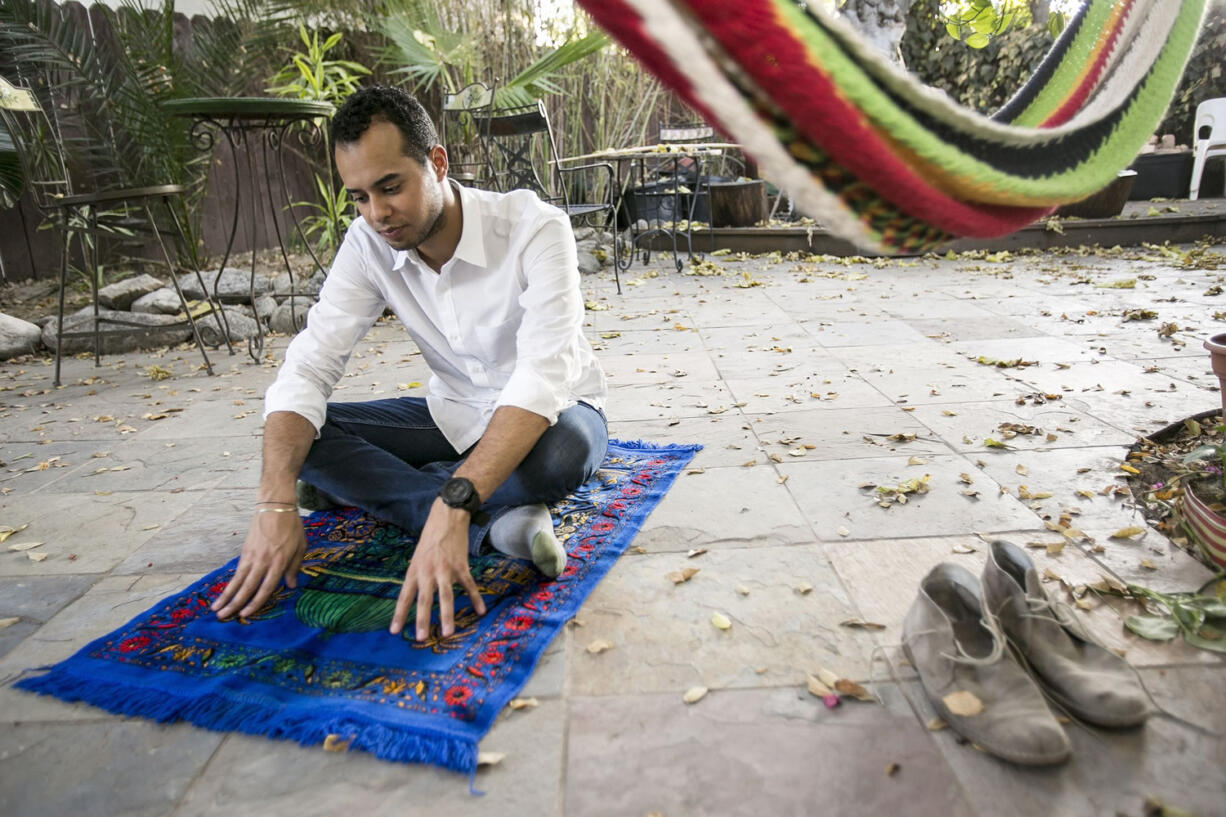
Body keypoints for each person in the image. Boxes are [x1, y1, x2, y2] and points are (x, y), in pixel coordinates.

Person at [211, 86, 608, 644]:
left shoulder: (535, 227)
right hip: (452, 413)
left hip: (557, 412)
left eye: (390, 187)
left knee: (565, 452)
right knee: (300, 437)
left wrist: (454, 503)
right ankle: (497, 527)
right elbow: (307, 368)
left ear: (437, 163)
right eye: (359, 197)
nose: (377, 213)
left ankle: (426, 498)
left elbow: (542, 378)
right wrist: (274, 502)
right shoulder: (367, 243)